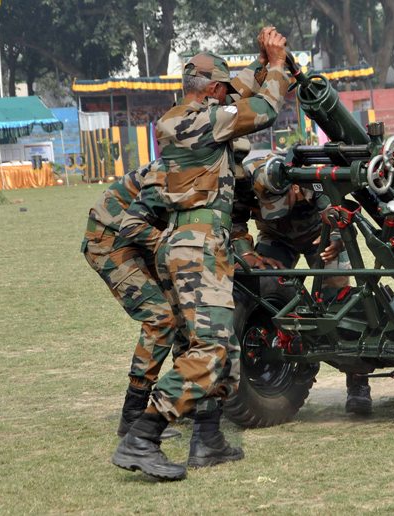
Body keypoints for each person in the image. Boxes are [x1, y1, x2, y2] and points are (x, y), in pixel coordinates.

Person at [112, 27, 291, 480]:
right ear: (211, 90)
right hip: (198, 247)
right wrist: (276, 64)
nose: (227, 97)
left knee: (220, 344)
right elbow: (265, 108)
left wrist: (260, 62)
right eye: (223, 90)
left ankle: (208, 438)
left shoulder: (186, 118)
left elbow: (240, 94)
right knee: (210, 350)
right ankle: (144, 435)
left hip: (193, 244)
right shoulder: (203, 121)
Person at [230, 152, 370, 415]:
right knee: (261, 292)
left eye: (281, 201)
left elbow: (337, 210)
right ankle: (274, 359)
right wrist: (246, 252)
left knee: (342, 301)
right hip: (276, 238)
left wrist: (337, 239)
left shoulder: (309, 175)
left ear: (294, 186)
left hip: (321, 236)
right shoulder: (244, 179)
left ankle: (358, 382)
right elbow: (235, 220)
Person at [82, 162, 185, 441]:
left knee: (186, 309)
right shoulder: (173, 170)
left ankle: (180, 398)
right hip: (110, 240)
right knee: (161, 318)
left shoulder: (209, 170)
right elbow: (133, 227)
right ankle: (133, 416)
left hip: (146, 240)